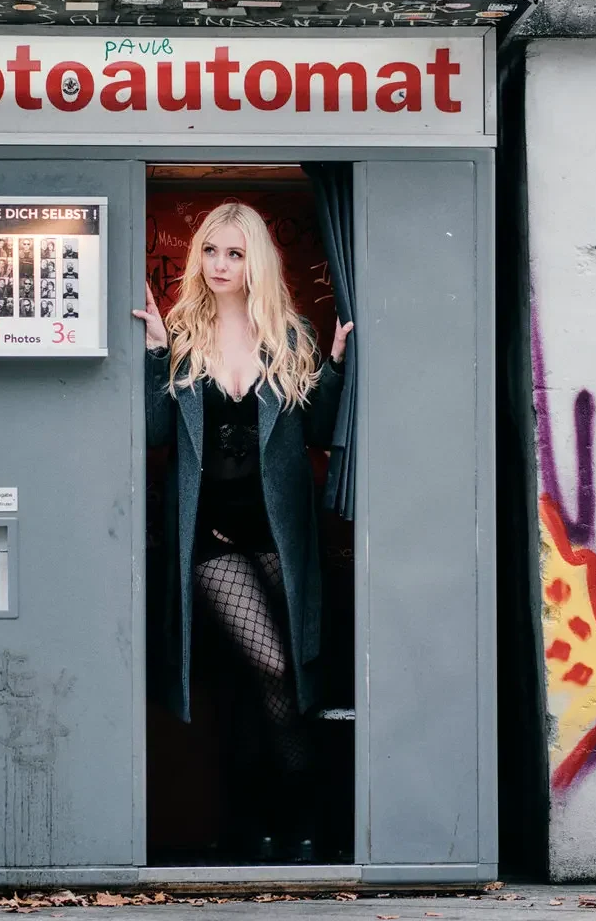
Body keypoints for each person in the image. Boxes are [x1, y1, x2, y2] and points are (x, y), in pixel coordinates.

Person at [134, 201, 352, 864]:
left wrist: (336, 368)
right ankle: (293, 815)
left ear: (254, 260)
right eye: (210, 251)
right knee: (274, 667)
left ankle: (269, 827)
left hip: (282, 536)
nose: (220, 264)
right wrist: (150, 358)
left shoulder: (292, 336)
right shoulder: (178, 333)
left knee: (272, 687)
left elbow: (318, 437)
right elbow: (151, 436)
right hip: (212, 541)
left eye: (233, 252)